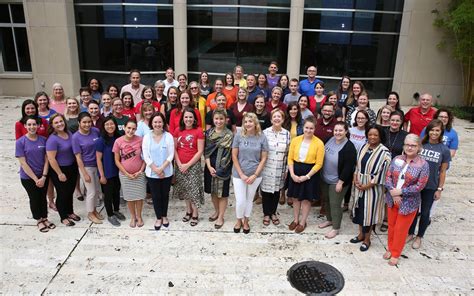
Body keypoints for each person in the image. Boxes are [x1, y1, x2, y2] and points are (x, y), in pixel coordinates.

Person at [384, 134, 429, 265]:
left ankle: (396, 253)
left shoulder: (423, 164)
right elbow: (388, 176)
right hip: (392, 199)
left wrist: (402, 192)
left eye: (413, 145)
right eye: (407, 144)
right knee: (391, 226)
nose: (409, 147)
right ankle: (390, 248)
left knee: (401, 229)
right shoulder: (397, 159)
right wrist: (394, 193)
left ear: (419, 147)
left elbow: (420, 185)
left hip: (408, 203)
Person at [408, 119, 450, 249]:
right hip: (416, 184)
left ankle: (419, 236)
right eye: (432, 129)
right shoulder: (421, 145)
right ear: (428, 131)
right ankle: (410, 233)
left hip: (431, 186)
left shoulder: (444, 150)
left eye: (437, 130)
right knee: (413, 210)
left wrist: (439, 189)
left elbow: (443, 171)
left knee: (425, 213)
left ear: (441, 132)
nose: (434, 132)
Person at [351, 125, 391, 252]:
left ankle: (367, 239)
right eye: (370, 135)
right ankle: (360, 234)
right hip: (359, 185)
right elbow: (357, 165)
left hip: (373, 189)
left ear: (380, 137)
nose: (372, 137)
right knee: (359, 211)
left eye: (375, 135)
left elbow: (382, 174)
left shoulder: (385, 152)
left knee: (369, 214)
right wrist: (356, 179)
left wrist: (367, 185)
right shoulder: (364, 146)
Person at [318, 121, 357, 239]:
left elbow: (348, 167)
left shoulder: (349, 147)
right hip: (325, 178)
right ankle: (329, 220)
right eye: (336, 130)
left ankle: (336, 228)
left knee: (335, 204)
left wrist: (341, 182)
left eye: (340, 130)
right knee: (326, 201)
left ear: (346, 131)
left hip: (338, 181)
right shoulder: (330, 140)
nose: (338, 133)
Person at [232, 112, 269, 234]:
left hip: (255, 174)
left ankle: (246, 220)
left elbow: (263, 158)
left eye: (250, 121)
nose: (248, 124)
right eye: (246, 122)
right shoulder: (238, 135)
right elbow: (234, 156)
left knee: (249, 199)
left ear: (255, 123)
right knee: (240, 200)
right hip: (239, 174)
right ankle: (239, 220)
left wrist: (255, 175)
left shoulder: (262, 137)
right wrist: (241, 174)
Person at [16, 116, 54, 232]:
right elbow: (23, 163)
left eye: (34, 125)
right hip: (28, 177)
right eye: (29, 125)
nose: (32, 127)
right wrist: (35, 179)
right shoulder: (20, 142)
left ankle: (45, 217)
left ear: (38, 126)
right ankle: (39, 220)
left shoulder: (43, 140)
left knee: (42, 197)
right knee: (34, 198)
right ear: (25, 126)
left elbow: (47, 159)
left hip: (43, 175)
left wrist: (43, 176)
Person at [287, 117, 325, 233]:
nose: (308, 130)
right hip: (295, 171)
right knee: (295, 198)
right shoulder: (296, 140)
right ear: (303, 128)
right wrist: (292, 174)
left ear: (315, 129)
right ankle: (295, 219)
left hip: (310, 174)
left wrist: (307, 176)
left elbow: (319, 164)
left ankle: (303, 222)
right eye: (307, 128)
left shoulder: (319, 143)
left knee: (306, 199)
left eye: (311, 128)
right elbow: (290, 158)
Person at [46, 113, 79, 226]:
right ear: (52, 125)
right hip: (60, 169)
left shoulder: (68, 133)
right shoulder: (52, 139)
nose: (59, 124)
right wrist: (59, 173)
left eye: (61, 121)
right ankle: (63, 216)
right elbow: (51, 158)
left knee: (70, 191)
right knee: (62, 193)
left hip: (72, 167)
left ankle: (70, 212)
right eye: (56, 122)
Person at [173, 108, 205, 227]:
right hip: (180, 165)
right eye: (186, 117)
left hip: (193, 165)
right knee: (185, 189)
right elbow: (175, 149)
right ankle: (188, 211)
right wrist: (179, 164)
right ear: (183, 118)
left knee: (194, 190)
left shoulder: (198, 131)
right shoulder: (177, 131)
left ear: (194, 119)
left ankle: (195, 214)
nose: (188, 119)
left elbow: (200, 151)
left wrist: (188, 164)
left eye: (191, 117)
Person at [143, 112, 175, 230]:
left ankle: (164, 216)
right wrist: (155, 169)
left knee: (165, 195)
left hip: (166, 172)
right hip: (152, 172)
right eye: (155, 122)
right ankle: (158, 217)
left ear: (163, 123)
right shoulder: (147, 137)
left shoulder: (168, 136)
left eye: (159, 122)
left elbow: (171, 155)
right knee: (156, 196)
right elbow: (145, 155)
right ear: (151, 123)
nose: (157, 124)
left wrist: (161, 168)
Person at [113, 120, 146, 228]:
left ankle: (139, 216)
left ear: (136, 130)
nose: (130, 131)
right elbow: (117, 161)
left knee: (139, 197)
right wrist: (126, 173)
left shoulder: (140, 140)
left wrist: (141, 171)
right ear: (124, 128)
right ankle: (133, 217)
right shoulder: (118, 141)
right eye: (129, 128)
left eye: (133, 129)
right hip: (125, 175)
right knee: (130, 197)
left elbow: (146, 157)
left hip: (139, 174)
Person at [204, 109, 234, 229]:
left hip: (223, 167)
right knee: (213, 192)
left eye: (221, 119)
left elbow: (230, 154)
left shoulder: (229, 135)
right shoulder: (209, 133)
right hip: (209, 166)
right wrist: (209, 166)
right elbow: (206, 151)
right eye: (216, 118)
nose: (219, 121)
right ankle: (216, 211)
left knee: (222, 194)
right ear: (213, 119)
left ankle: (221, 216)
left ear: (226, 120)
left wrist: (221, 168)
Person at [72, 112, 103, 224]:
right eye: (84, 122)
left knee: (97, 190)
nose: (87, 124)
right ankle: (90, 213)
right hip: (87, 167)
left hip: (97, 165)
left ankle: (94, 210)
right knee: (91, 191)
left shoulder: (96, 131)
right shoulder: (75, 137)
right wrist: (84, 173)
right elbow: (78, 157)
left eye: (89, 121)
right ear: (79, 123)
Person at [261, 109, 290, 226]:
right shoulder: (264, 133)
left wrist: (287, 169)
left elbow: (288, 153)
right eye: (275, 117)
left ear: (282, 119)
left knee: (276, 191)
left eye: (279, 117)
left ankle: (273, 212)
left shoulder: (287, 134)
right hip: (267, 167)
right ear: (271, 119)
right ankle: (266, 214)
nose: (277, 119)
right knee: (266, 192)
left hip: (280, 167)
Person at [96, 116, 126, 226]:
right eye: (107, 124)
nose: (110, 126)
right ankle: (110, 214)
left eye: (112, 124)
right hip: (107, 172)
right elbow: (98, 159)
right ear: (104, 126)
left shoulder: (119, 138)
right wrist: (101, 175)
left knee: (116, 192)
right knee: (108, 195)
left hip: (117, 171)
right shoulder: (101, 141)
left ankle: (116, 210)